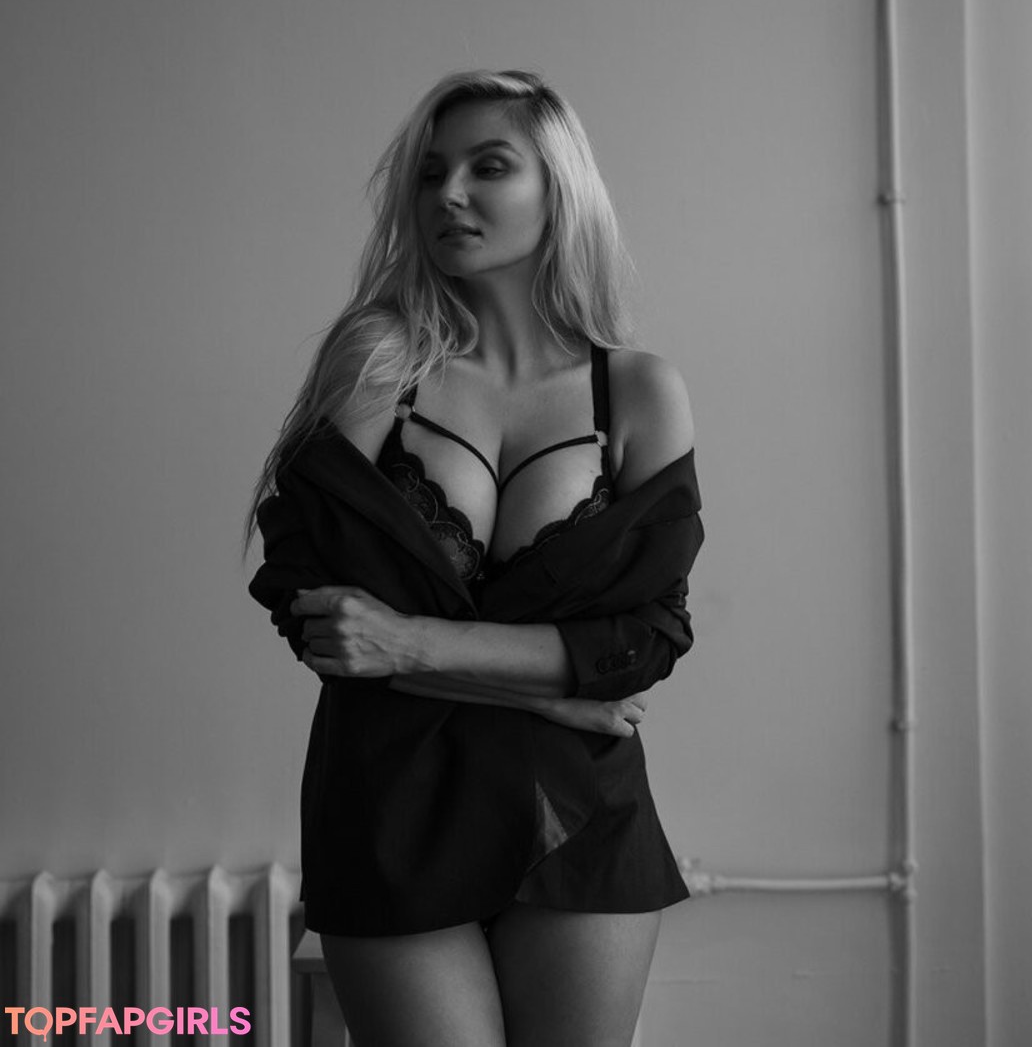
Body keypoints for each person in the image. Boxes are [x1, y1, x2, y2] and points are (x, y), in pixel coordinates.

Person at [245, 69, 704, 1047]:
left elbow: (646, 638)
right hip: (389, 802)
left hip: (577, 810)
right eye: (430, 173)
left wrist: (412, 643)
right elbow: (318, 612)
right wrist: (551, 692)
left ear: (559, 187)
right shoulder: (378, 365)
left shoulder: (638, 392)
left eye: (488, 167)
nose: (448, 193)